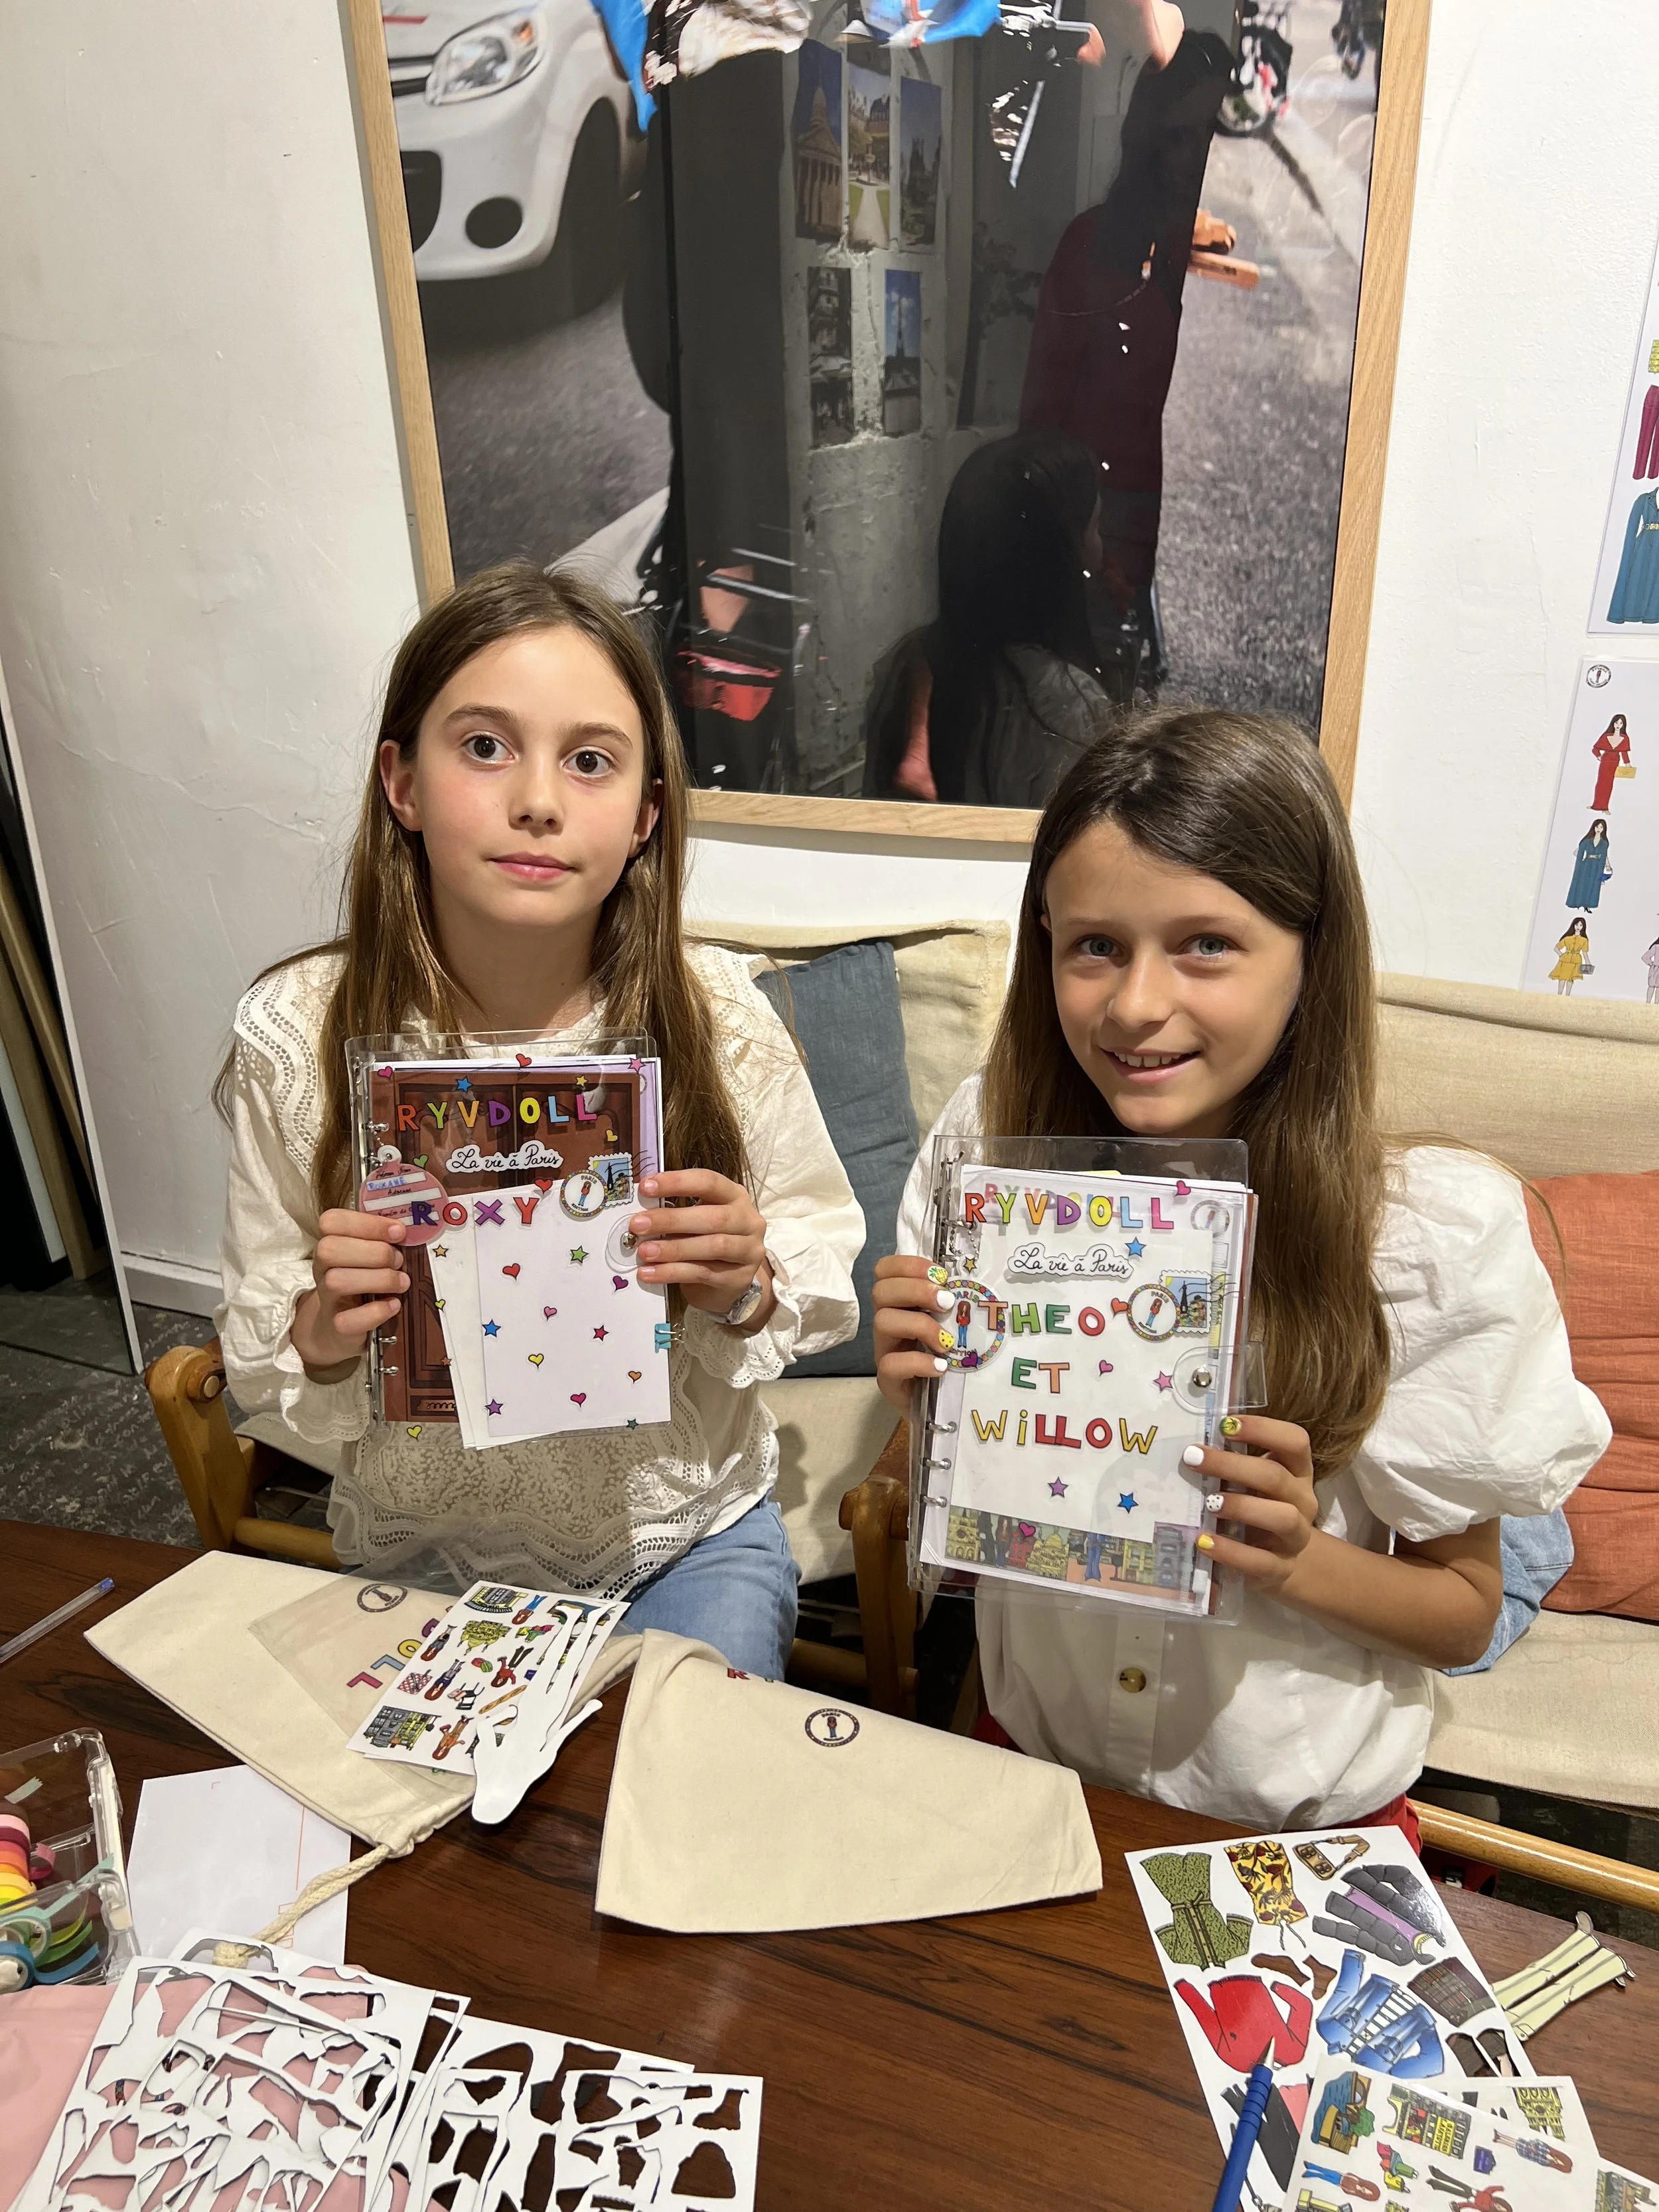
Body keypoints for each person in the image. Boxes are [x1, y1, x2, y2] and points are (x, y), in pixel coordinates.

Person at [872, 709, 1608, 1829]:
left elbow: (1465, 1611)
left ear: (1310, 958)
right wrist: (926, 1396)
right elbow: (980, 1486)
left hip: (1295, 1820)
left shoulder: (1426, 1238)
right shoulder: (994, 1153)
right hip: (1033, 1766)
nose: (1134, 1005)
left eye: (1205, 943)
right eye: (1095, 945)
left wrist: (1297, 1554)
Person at [216, 563, 862, 1678]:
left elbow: (816, 1274)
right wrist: (325, 1333)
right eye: (483, 746)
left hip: (682, 1544)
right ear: (402, 782)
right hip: (421, 1554)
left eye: (591, 759)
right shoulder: (298, 1036)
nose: (540, 801)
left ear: (646, 813)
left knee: (669, 1823)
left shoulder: (718, 1018)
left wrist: (739, 1284)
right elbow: (261, 1357)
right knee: (439, 1844)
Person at [861, 431, 1111, 808]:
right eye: (1094, 527)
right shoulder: (1067, 704)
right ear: (1060, 557)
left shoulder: (905, 662)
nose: (1101, 545)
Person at [1589, 713, 1632, 811]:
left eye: (1621, 723)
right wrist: (1600, 757)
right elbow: (1595, 749)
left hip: (1615, 762)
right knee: (1600, 783)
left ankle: (1605, 807)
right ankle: (1596, 806)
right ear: (1613, 723)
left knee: (1609, 784)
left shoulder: (1625, 738)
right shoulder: (1606, 736)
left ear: (1623, 725)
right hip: (1605, 761)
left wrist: (1628, 764)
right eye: (1616, 722)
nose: (1618, 725)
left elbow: (1624, 753)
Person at [1565, 818, 1611, 910]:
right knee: (1583, 883)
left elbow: (1605, 856)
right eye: (1597, 826)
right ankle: (1579, 902)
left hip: (1597, 867)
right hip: (1586, 865)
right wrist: (1584, 860)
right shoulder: (1587, 841)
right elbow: (1576, 852)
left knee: (1593, 884)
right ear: (1594, 827)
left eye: (1601, 827)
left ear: (1604, 829)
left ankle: (1589, 904)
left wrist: (1608, 866)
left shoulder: (1604, 843)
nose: (1599, 829)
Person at [1550, 918, 1590, 996]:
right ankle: (1559, 995)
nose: (1578, 927)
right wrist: (1561, 955)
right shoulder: (1567, 938)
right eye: (1577, 925)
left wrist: (1587, 962)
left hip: (1576, 961)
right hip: (1565, 960)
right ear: (1574, 925)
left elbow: (1585, 952)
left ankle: (1567, 996)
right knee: (1562, 978)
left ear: (1583, 927)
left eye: (1581, 925)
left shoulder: (1584, 940)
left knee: (1571, 979)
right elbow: (1556, 948)